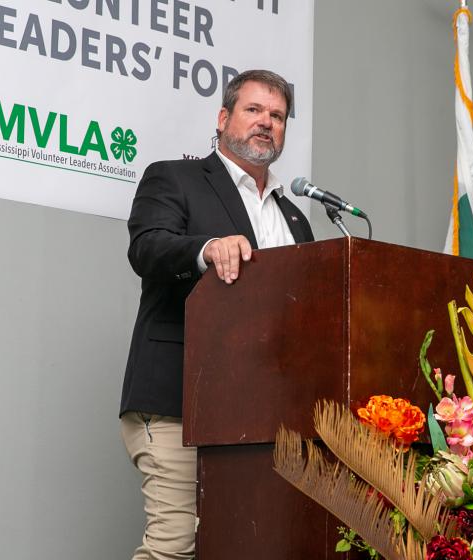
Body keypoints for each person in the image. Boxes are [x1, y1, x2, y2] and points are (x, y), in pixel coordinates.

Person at [119, 69, 314, 560]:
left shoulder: (295, 218)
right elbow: (147, 248)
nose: (266, 123)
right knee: (175, 544)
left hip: (264, 418)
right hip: (178, 404)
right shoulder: (176, 178)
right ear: (224, 118)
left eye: (278, 116)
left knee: (248, 543)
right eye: (254, 110)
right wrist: (206, 248)